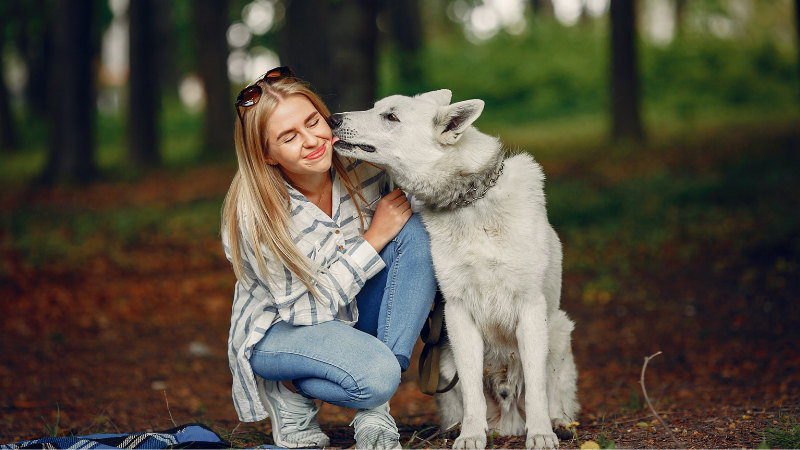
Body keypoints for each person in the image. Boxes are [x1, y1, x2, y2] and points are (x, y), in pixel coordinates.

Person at [221, 66, 437, 449]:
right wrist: (373, 239)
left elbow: (420, 231)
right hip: (281, 329)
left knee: (414, 233)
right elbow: (304, 311)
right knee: (376, 376)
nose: (311, 140)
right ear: (267, 155)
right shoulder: (256, 212)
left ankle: (374, 408)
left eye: (313, 122)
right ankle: (287, 385)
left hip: (351, 312)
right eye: (288, 137)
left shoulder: (365, 165)